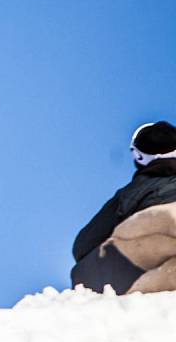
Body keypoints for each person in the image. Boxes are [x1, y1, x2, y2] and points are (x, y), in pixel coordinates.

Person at [71, 121, 176, 294]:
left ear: (139, 156)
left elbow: (83, 245)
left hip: (146, 260)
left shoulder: (130, 194)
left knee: (82, 274)